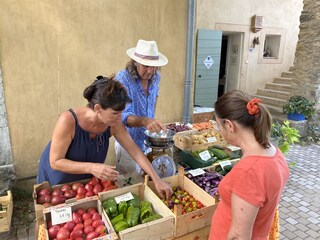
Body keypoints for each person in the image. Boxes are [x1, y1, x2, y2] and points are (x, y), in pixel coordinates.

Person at [37, 75, 172, 199]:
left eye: (121, 113)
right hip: (59, 177)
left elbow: (135, 151)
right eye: (115, 113)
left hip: (87, 182)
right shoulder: (68, 120)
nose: (120, 118)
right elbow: (55, 161)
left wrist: (157, 180)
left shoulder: (114, 123)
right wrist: (91, 168)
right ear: (97, 108)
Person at [209, 90, 289, 240]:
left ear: (229, 125)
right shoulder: (274, 153)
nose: (220, 131)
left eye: (219, 126)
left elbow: (238, 236)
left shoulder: (248, 171)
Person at [115, 39, 168, 175]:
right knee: (130, 181)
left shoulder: (157, 77)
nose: (150, 71)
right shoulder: (122, 79)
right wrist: (145, 121)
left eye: (153, 66)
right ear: (135, 62)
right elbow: (124, 117)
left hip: (147, 142)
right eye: (145, 66)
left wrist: (152, 121)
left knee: (147, 178)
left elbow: (155, 97)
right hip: (128, 142)